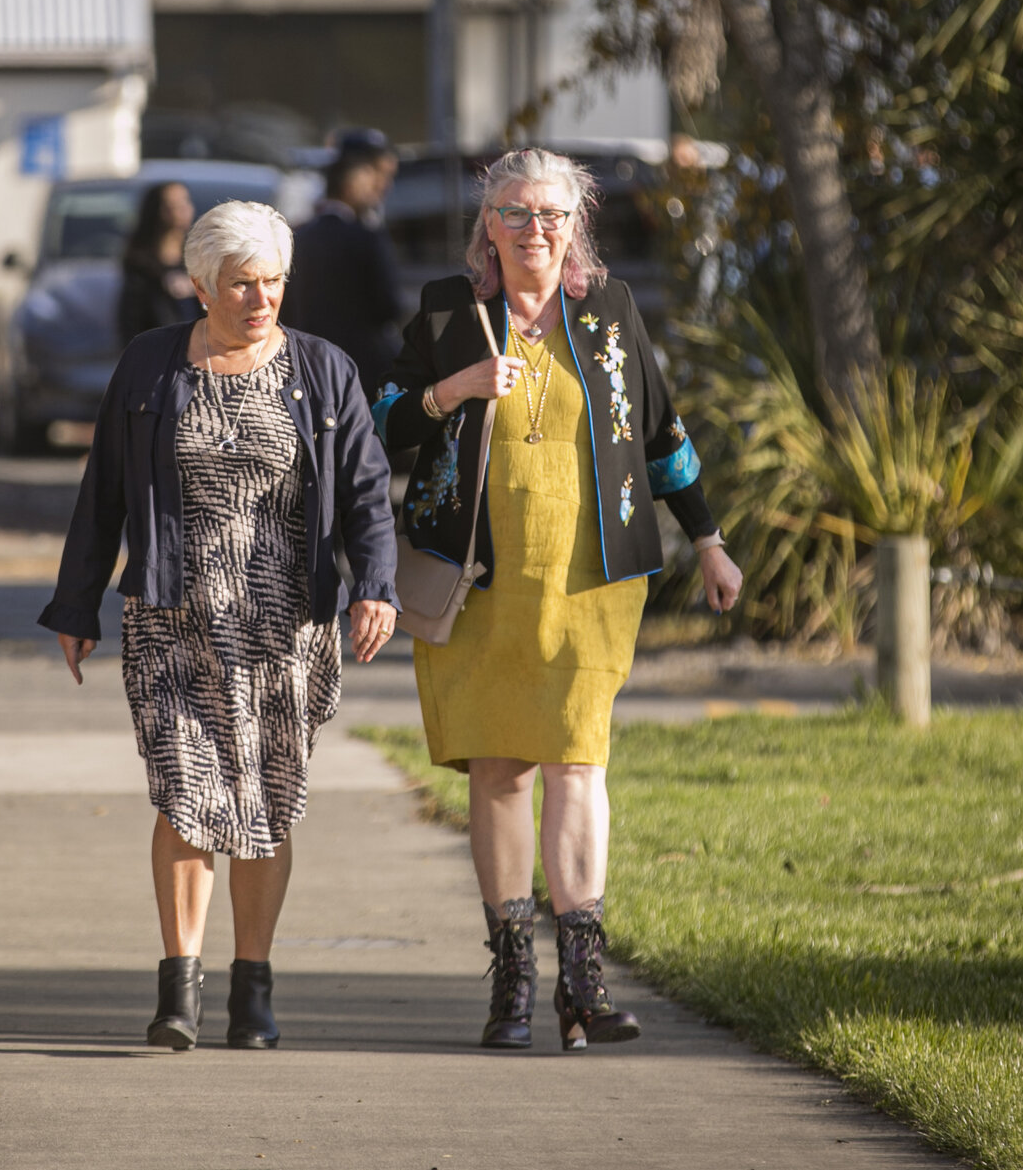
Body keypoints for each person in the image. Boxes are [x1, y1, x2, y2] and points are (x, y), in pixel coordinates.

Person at [371, 147, 743, 1053]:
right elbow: (381, 424)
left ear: (575, 227)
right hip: (480, 581)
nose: (534, 230)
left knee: (579, 763)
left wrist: (707, 538)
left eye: (551, 215)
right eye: (515, 214)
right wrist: (453, 389)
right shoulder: (449, 313)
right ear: (486, 228)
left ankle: (584, 980)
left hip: (592, 578)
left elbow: (661, 434)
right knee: (501, 770)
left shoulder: (609, 315)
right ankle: (513, 982)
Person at [40, 200, 399, 1052]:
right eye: (242, 283)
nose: (261, 297)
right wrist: (77, 601)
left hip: (283, 626)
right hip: (173, 615)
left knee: (267, 805)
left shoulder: (323, 370)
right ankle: (181, 988)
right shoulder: (150, 367)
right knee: (186, 794)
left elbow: (365, 492)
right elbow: (106, 493)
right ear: (202, 286)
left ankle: (255, 987)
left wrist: (374, 586)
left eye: (273, 281)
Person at [281, 127, 402, 396]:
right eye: (380, 175)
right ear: (356, 176)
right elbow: (388, 307)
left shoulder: (298, 234)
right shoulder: (365, 237)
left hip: (306, 371)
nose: (384, 186)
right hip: (360, 376)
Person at [117, 181, 201, 344]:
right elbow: (131, 319)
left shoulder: (199, 255)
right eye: (171, 205)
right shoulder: (140, 264)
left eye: (185, 201)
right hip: (161, 350)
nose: (182, 210)